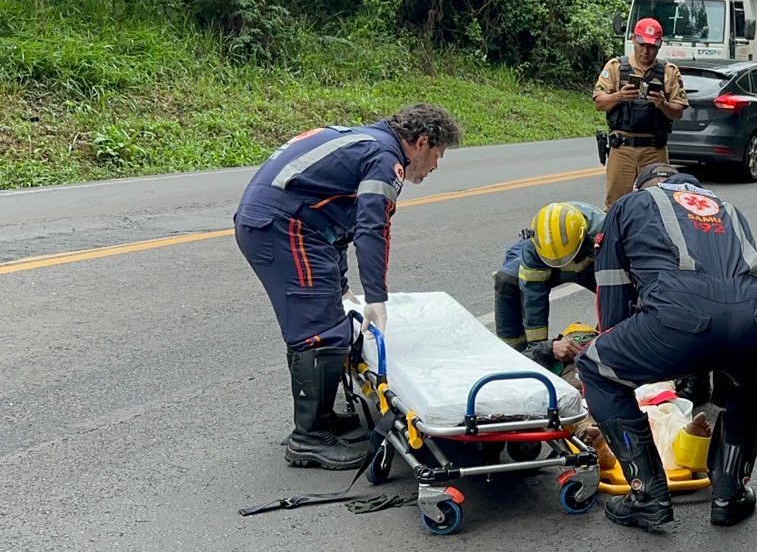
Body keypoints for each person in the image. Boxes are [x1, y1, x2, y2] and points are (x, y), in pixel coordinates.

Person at [234, 104, 461, 470]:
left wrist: (339, 284)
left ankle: (319, 419)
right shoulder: (386, 159)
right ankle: (309, 439)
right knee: (321, 332)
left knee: (327, 319)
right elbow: (372, 228)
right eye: (436, 156)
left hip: (288, 225)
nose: (434, 167)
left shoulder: (365, 139)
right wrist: (376, 298)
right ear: (421, 143)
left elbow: (335, 217)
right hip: (284, 228)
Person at [576, 163, 757, 529]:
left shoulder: (630, 205)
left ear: (644, 185)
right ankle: (730, 493)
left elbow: (613, 290)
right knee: (753, 381)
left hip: (677, 322)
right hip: (754, 320)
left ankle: (647, 494)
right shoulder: (728, 208)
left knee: (596, 368)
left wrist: (622, 350)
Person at [493, 200, 604, 365]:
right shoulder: (534, 246)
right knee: (506, 280)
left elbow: (616, 290)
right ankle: (514, 357)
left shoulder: (602, 235)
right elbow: (533, 298)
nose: (563, 264)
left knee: (626, 298)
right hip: (545, 255)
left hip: (588, 256)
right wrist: (541, 351)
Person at [593, 18, 688, 207]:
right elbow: (599, 102)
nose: (645, 51)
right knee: (616, 206)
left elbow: (678, 112)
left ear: (659, 45)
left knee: (658, 205)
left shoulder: (669, 72)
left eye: (652, 46)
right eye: (641, 44)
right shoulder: (616, 67)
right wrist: (619, 96)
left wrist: (662, 104)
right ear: (633, 40)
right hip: (622, 148)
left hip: (654, 150)